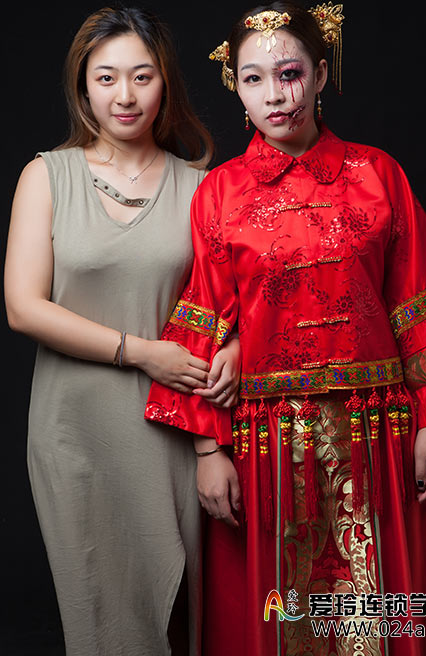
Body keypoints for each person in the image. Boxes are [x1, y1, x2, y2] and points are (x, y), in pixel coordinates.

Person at [145, 2, 426, 655]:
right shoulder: (220, 193)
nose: (275, 95)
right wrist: (209, 453)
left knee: (374, 612)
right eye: (253, 79)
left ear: (321, 75)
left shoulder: (378, 175)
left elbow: (417, 299)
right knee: (280, 614)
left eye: (290, 73)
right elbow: (204, 319)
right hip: (268, 444)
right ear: (236, 88)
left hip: (374, 432)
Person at [4, 6, 241, 656]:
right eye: (106, 78)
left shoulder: (204, 189)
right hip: (74, 431)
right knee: (100, 615)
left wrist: (238, 347)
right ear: (83, 88)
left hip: (175, 430)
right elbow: (23, 307)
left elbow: (234, 307)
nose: (125, 95)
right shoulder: (46, 176)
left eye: (142, 76)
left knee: (180, 616)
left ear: (166, 83)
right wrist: (142, 353)